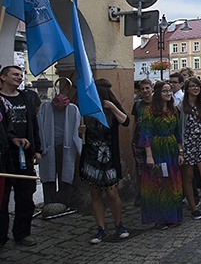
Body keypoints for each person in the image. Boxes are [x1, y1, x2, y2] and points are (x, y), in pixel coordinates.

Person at [78, 78, 130, 243]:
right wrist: (81, 132)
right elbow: (81, 137)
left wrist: (112, 107)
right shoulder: (88, 110)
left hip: (109, 157)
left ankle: (119, 224)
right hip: (92, 157)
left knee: (112, 193)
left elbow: (126, 121)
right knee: (95, 193)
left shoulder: (112, 110)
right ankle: (100, 228)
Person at [0, 66, 41, 247]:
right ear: (3, 77)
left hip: (25, 155)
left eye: (21, 74)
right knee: (2, 198)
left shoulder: (26, 98)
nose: (19, 77)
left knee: (26, 196)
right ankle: (1, 236)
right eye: (15, 74)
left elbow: (34, 125)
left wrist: (37, 149)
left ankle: (23, 233)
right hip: (4, 157)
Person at [139, 81, 184, 229]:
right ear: (158, 93)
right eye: (165, 91)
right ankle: (159, 218)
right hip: (157, 149)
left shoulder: (174, 110)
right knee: (158, 183)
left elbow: (178, 133)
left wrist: (180, 152)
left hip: (171, 149)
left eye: (170, 91)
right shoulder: (149, 111)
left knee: (172, 182)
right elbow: (146, 134)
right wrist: (149, 156)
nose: (168, 93)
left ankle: (173, 216)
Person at [177, 77, 201, 219]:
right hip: (187, 145)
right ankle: (193, 207)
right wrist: (180, 148)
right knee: (188, 177)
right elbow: (178, 129)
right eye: (192, 86)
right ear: (187, 89)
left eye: (197, 86)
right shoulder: (181, 107)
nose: (196, 89)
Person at [38, 92, 82, 208]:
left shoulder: (72, 109)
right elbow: (39, 126)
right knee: (48, 176)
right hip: (48, 147)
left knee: (66, 176)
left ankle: (64, 204)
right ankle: (49, 203)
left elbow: (77, 129)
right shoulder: (45, 108)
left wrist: (79, 148)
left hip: (66, 147)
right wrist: (41, 146)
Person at [131, 79, 153, 207]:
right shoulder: (138, 105)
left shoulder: (157, 104)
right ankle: (141, 193)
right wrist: (131, 138)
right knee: (139, 170)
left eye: (147, 88)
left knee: (152, 169)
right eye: (142, 89)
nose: (145, 91)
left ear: (151, 88)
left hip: (152, 142)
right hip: (138, 141)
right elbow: (134, 122)